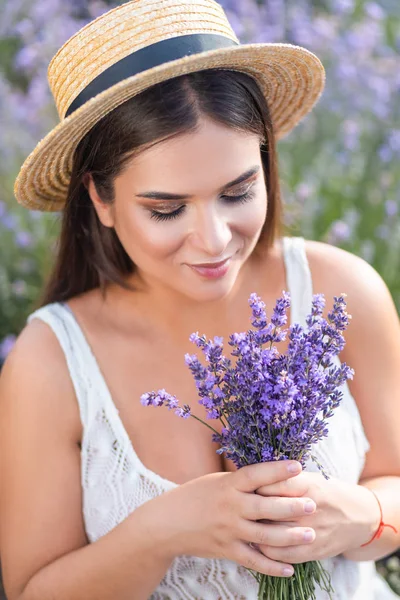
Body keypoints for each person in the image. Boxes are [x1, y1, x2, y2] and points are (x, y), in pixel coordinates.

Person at [0, 0, 399, 598]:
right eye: (166, 209)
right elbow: (34, 589)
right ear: (101, 201)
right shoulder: (50, 362)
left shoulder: (342, 292)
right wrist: (162, 531)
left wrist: (360, 515)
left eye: (238, 191)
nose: (213, 240)